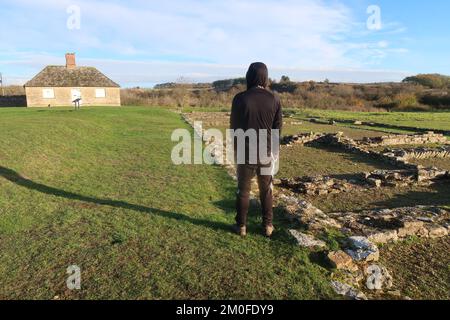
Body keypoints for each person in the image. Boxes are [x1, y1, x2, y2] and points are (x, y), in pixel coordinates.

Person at [230, 62, 282, 237]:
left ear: (249, 75)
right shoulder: (274, 99)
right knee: (266, 190)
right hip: (266, 153)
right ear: (265, 77)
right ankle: (267, 226)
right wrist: (274, 153)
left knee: (243, 191)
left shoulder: (240, 98)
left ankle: (241, 226)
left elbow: (234, 127)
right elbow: (277, 129)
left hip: (245, 152)